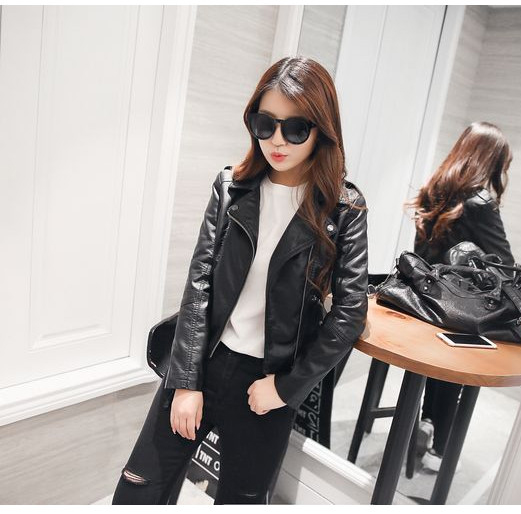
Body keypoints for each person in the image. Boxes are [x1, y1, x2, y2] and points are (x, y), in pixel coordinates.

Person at [111, 56, 369, 504]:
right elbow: (199, 285)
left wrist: (285, 389)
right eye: (265, 124)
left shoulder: (344, 208)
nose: (277, 140)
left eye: (295, 128)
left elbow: (349, 314)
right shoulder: (231, 187)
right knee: (137, 491)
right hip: (205, 360)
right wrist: (186, 381)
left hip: (267, 384)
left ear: (322, 130)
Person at [406, 121, 515, 472]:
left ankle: (426, 421)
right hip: (459, 313)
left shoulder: (433, 191)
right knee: (459, 366)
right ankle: (440, 449)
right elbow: (505, 265)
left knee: (438, 358)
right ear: (490, 160)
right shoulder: (481, 204)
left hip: (423, 304)